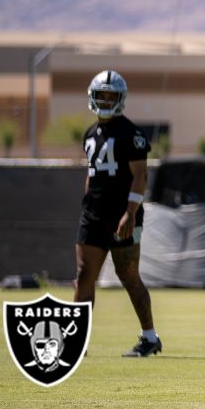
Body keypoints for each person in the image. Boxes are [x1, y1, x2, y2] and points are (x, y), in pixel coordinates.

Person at [73, 70, 162, 357]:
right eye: (102, 95)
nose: (106, 100)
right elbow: (92, 175)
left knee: (128, 275)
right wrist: (86, 203)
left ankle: (149, 337)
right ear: (93, 96)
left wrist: (131, 212)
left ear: (121, 99)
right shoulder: (89, 134)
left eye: (111, 96)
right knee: (84, 275)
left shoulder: (132, 134)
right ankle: (78, 342)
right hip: (93, 215)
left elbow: (140, 176)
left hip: (123, 215)